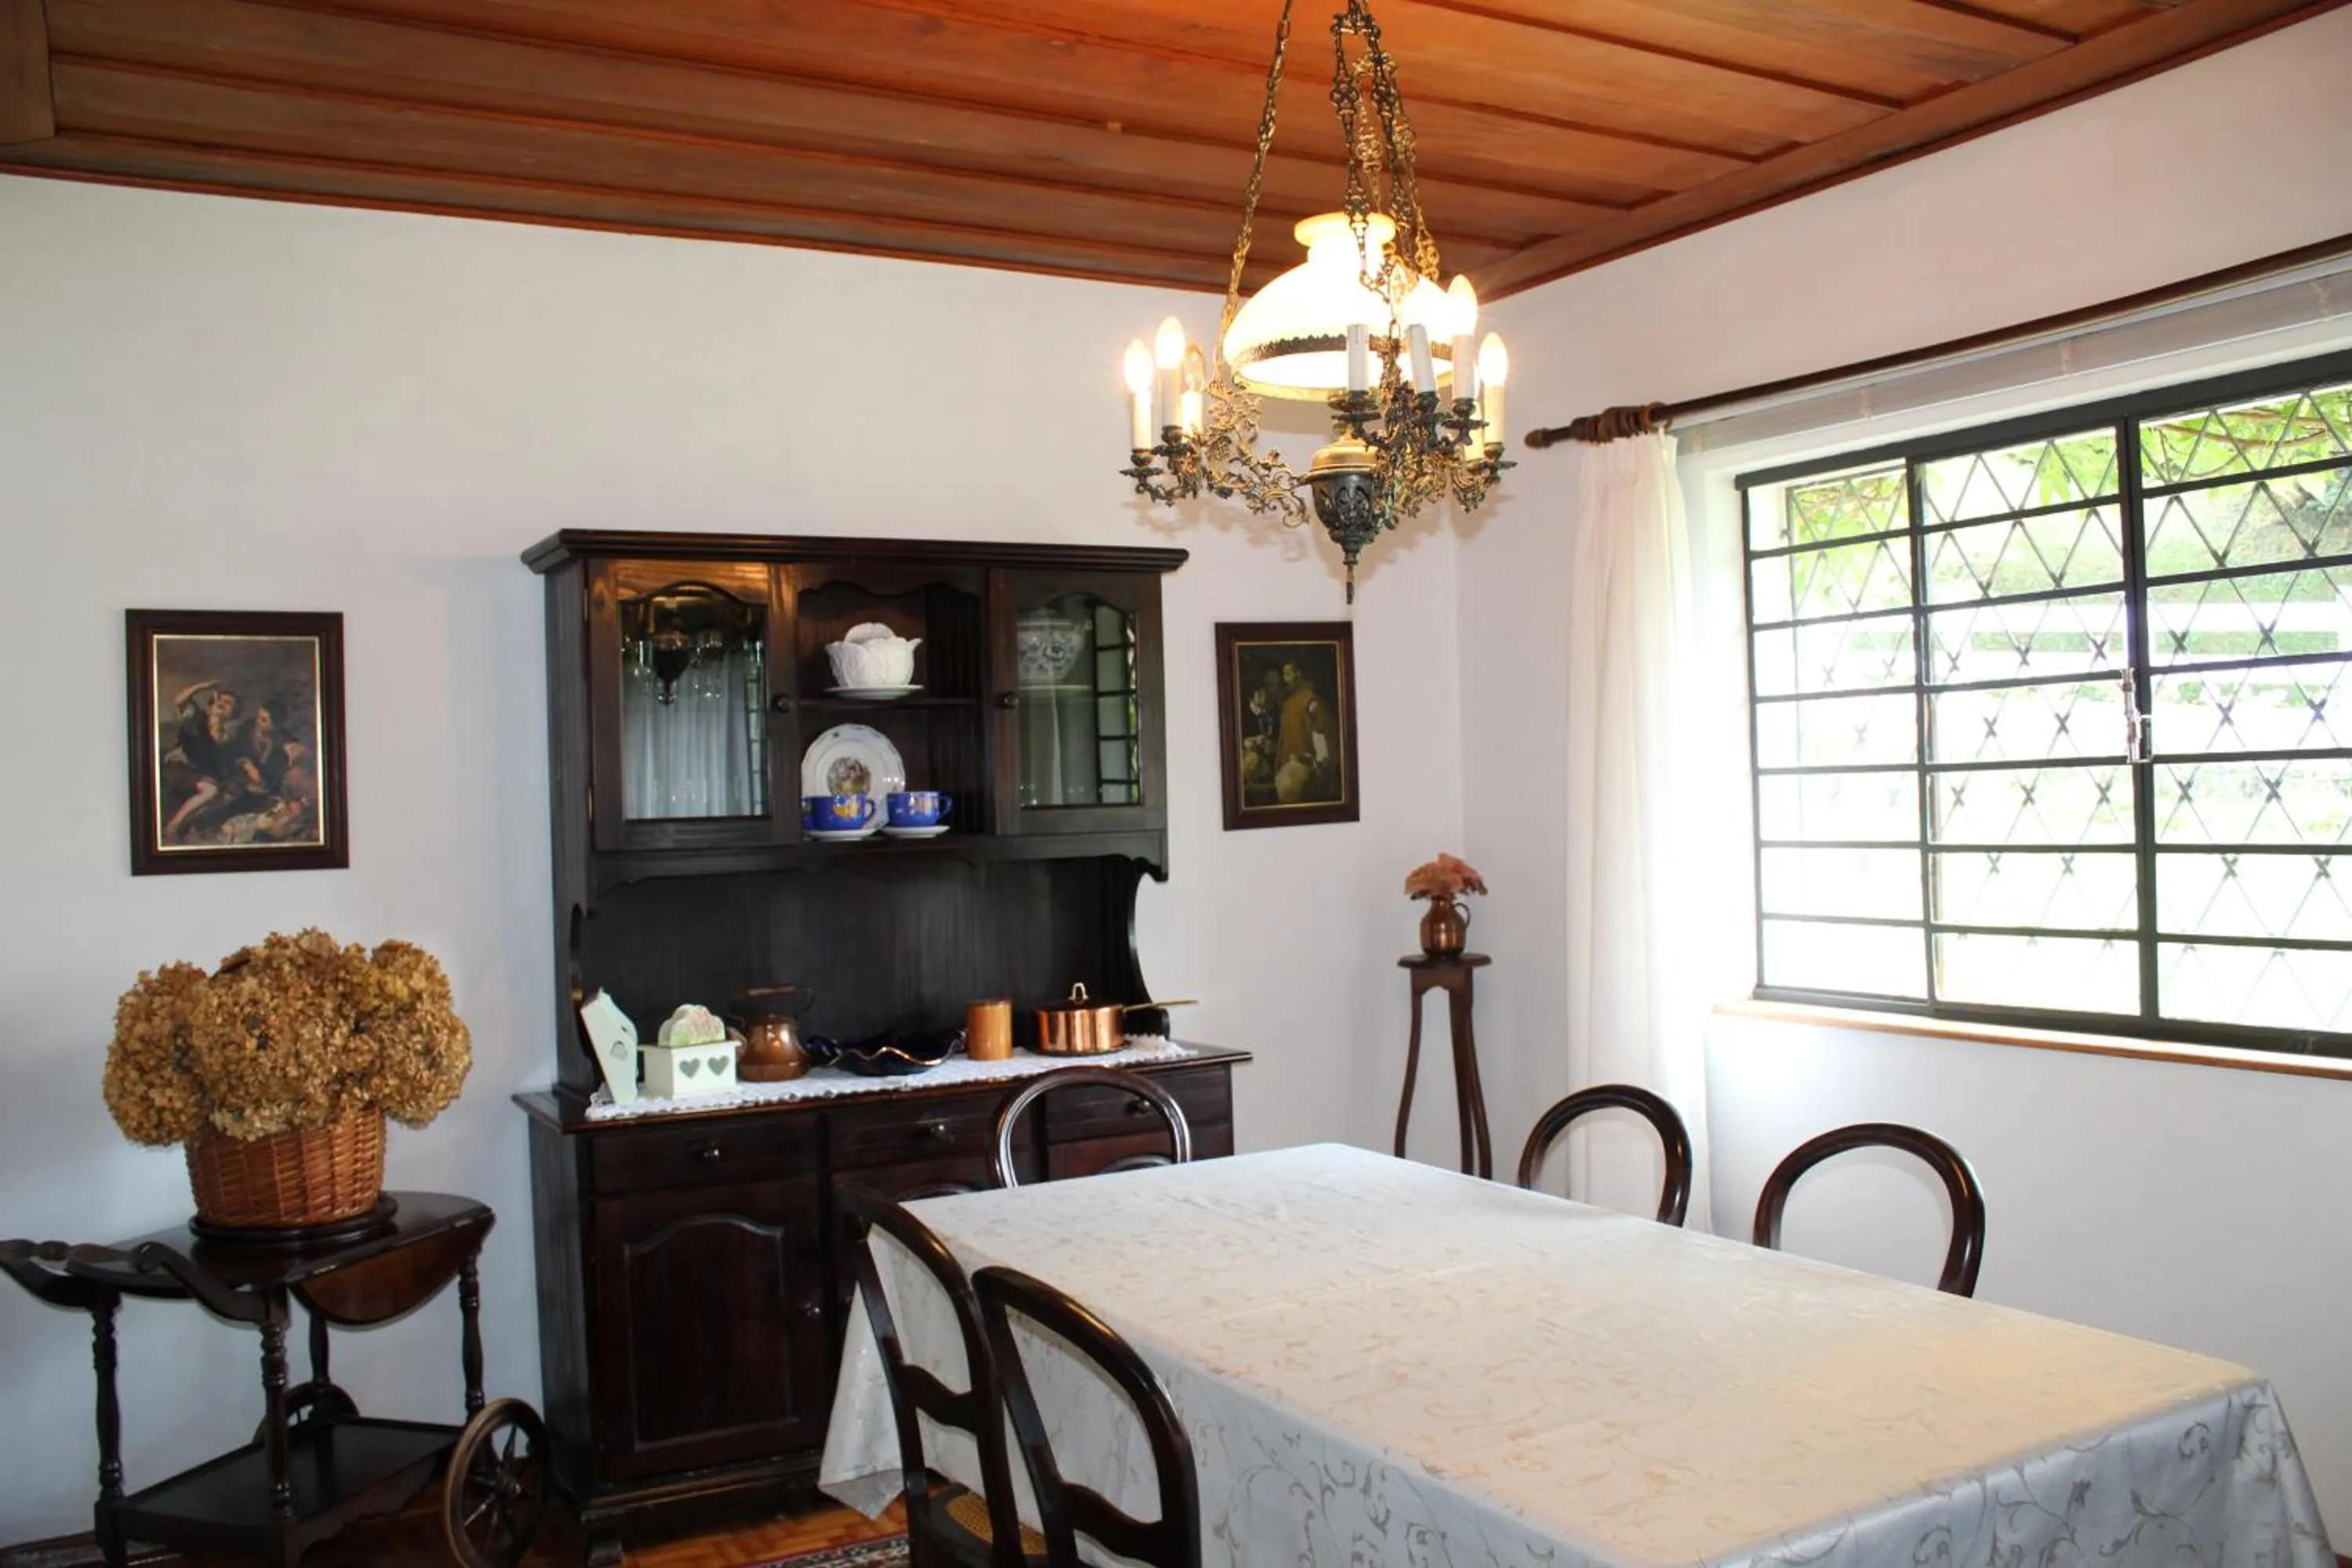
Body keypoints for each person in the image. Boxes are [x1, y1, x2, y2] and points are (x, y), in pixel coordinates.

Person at [162, 680, 243, 841]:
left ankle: (181, 825)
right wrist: (202, 687)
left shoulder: (228, 733)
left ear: (234, 713)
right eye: (220, 700)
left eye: (228, 704)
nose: (222, 704)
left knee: (218, 793)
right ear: (212, 703)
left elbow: (216, 741)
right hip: (179, 765)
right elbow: (179, 701)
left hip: (199, 772)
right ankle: (176, 826)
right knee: (211, 790)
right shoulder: (196, 715)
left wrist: (216, 721)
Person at [1274, 659, 1335, 804]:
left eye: (1289, 673)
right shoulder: (1288, 702)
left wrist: (1320, 762)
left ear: (1298, 674)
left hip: (1306, 766)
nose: (1286, 678)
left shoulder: (1310, 700)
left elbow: (1319, 730)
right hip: (1288, 764)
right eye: (1284, 674)